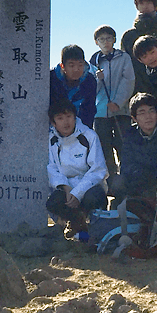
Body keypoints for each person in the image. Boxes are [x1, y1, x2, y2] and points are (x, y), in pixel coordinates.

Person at [47, 98, 108, 239]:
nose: (65, 122)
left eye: (69, 116)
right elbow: (52, 168)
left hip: (89, 186)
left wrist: (78, 192)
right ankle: (77, 222)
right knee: (53, 203)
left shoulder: (89, 136)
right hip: (67, 187)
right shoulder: (51, 140)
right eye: (60, 118)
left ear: (75, 117)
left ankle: (93, 226)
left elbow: (98, 169)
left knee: (94, 198)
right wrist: (66, 187)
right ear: (53, 123)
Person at [112, 93, 157, 207]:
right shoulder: (130, 136)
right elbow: (126, 165)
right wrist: (141, 175)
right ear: (134, 118)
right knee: (117, 182)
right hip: (139, 182)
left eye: (151, 111)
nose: (148, 116)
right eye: (142, 113)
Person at [88, 25, 135, 180]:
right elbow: (90, 89)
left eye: (108, 38)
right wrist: (98, 79)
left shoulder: (124, 57)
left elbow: (128, 80)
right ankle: (111, 179)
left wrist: (118, 102)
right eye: (101, 39)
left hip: (121, 111)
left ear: (114, 40)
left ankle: (127, 177)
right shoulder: (93, 61)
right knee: (104, 147)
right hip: (100, 112)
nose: (105, 42)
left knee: (124, 144)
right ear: (96, 42)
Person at [50, 44, 97, 128]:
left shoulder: (89, 80)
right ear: (62, 66)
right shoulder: (51, 78)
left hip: (79, 126)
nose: (76, 69)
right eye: (71, 65)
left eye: (80, 65)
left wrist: (84, 131)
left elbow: (89, 110)